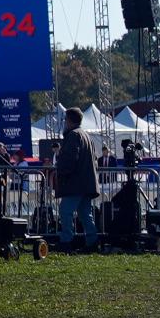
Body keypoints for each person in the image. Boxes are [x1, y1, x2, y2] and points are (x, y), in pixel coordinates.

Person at [52, 107, 100, 249]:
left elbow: (70, 158)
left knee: (65, 211)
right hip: (87, 182)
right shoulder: (85, 135)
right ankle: (92, 241)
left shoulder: (73, 135)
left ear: (68, 120)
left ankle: (67, 240)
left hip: (75, 183)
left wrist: (62, 172)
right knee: (85, 214)